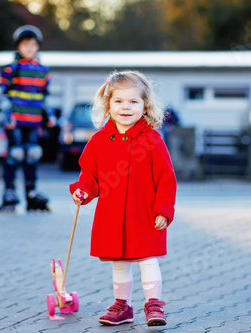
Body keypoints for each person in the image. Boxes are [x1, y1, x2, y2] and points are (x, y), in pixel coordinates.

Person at [69, 71, 177, 326]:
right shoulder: (98, 142)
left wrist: (163, 209)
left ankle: (153, 304)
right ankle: (123, 306)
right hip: (113, 215)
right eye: (118, 101)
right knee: (119, 261)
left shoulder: (151, 140)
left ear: (145, 106)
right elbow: (90, 175)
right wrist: (83, 190)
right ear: (108, 105)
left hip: (145, 213)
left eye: (133, 102)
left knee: (147, 258)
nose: (125, 107)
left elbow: (166, 178)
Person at [0, 25, 56, 213]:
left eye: (33, 44)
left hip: (33, 120)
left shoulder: (43, 71)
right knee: (15, 154)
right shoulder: (11, 69)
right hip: (15, 121)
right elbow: (1, 96)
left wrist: (51, 115)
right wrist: (7, 116)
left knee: (33, 154)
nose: (29, 48)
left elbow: (45, 97)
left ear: (38, 46)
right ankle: (9, 192)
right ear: (18, 46)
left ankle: (31, 192)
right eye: (25, 44)